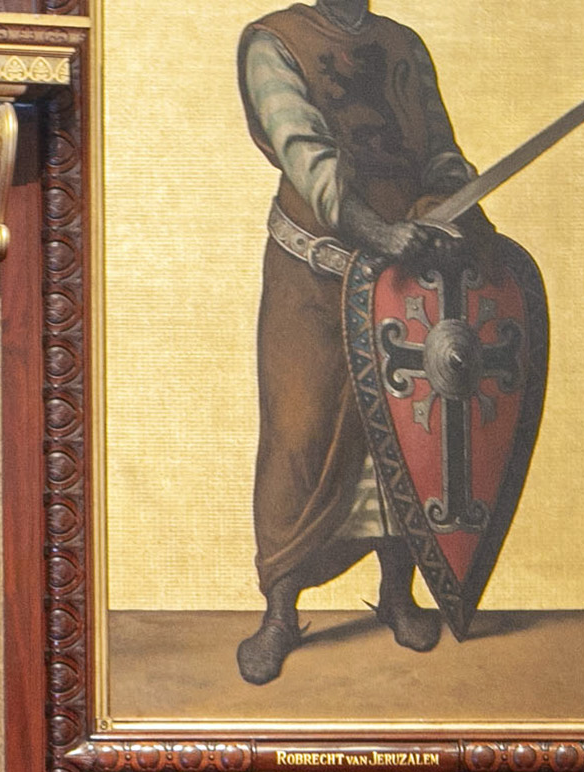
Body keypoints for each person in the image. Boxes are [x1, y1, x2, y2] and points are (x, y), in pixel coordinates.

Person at [235, 0, 490, 684]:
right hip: (314, 276)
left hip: (407, 275)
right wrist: (373, 231)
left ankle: (398, 594)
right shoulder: (274, 42)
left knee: (402, 437)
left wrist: (460, 203)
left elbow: (436, 147)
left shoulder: (403, 44)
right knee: (301, 433)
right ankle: (281, 612)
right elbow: (302, 150)